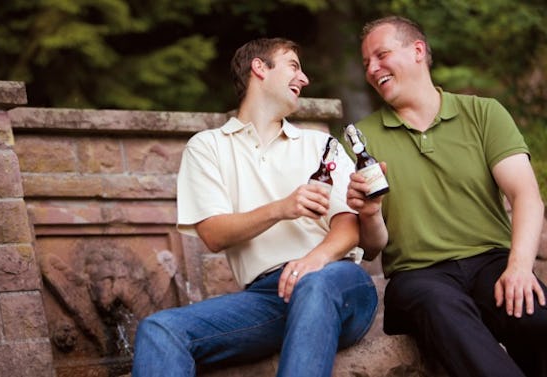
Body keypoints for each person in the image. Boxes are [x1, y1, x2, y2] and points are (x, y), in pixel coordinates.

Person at [132, 37, 381, 377]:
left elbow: (348, 225)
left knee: (314, 285)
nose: (304, 78)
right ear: (259, 68)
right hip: (268, 300)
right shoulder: (207, 148)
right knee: (160, 330)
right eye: (293, 66)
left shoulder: (319, 144)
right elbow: (214, 234)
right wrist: (282, 208)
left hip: (336, 282)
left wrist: (314, 260)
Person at [347, 15, 547, 377]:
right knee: (441, 307)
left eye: (381, 55)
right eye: (366, 64)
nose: (373, 69)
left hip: (491, 261)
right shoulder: (362, 139)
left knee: (535, 318)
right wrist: (372, 212)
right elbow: (372, 248)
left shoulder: (483, 113)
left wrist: (518, 267)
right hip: (418, 276)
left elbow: (526, 196)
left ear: (418, 51)